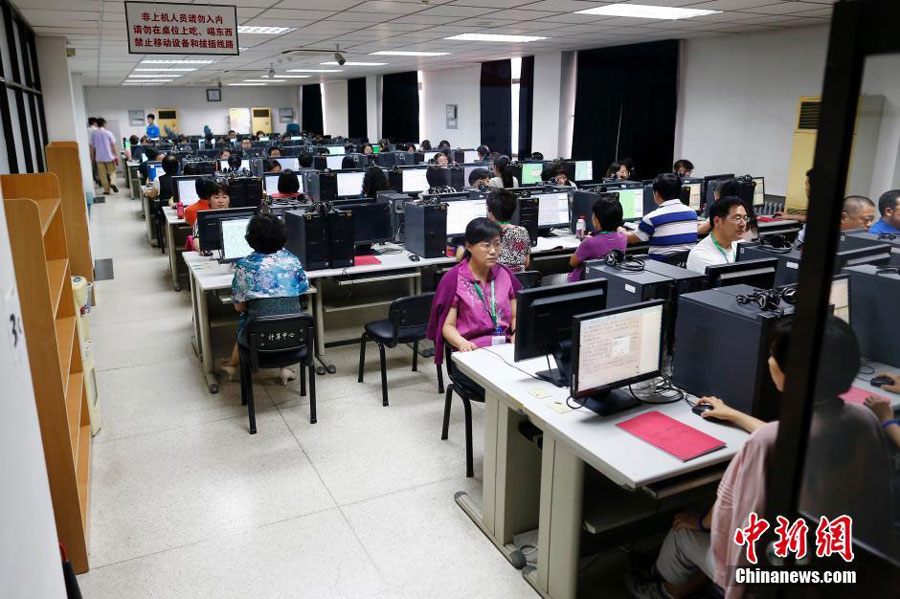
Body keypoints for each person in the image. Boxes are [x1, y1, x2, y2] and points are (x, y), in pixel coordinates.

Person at [626, 317, 894, 599]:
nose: (769, 361)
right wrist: (735, 415)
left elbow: (740, 521)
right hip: (842, 567)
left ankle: (657, 590)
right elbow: (798, 437)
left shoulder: (768, 443)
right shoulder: (864, 418)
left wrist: (703, 524)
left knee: (683, 533)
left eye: (773, 355)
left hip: (774, 580)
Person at [221, 213, 309, 386]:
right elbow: (302, 289)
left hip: (257, 338)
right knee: (282, 313)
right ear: (282, 237)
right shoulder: (293, 261)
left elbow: (239, 308)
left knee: (249, 319)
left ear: (251, 239)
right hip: (294, 335)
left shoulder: (244, 266)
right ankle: (285, 367)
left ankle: (232, 365)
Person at [427, 218, 522, 369]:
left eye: (497, 244)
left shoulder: (505, 274)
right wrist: (461, 343)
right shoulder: (454, 280)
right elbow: (447, 326)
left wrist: (517, 332)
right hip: (472, 351)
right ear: (469, 246)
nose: (493, 251)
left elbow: (517, 315)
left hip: (505, 348)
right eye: (486, 246)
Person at [628, 173, 698, 260]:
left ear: (656, 193)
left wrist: (619, 230)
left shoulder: (652, 218)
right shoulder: (692, 213)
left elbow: (632, 239)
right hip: (685, 269)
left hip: (659, 268)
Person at [568, 196, 627, 282]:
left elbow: (573, 263)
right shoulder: (623, 237)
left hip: (582, 283)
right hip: (609, 281)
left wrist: (588, 241)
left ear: (597, 220)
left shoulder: (589, 242)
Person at [686, 196, 747, 273]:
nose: (743, 224)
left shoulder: (742, 245)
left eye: (745, 218)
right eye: (737, 218)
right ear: (717, 221)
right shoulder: (701, 255)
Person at [486, 188, 531, 272]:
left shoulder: (486, 234)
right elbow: (526, 263)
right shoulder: (522, 231)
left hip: (496, 283)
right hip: (518, 282)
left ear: (490, 213)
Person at [89, 117, 119, 195]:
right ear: (104, 124)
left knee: (102, 175)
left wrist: (92, 157)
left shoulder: (93, 134)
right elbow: (113, 145)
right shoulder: (108, 133)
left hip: (99, 158)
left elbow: (91, 146)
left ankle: (106, 190)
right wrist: (116, 155)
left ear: (97, 124)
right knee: (112, 172)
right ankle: (112, 182)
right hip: (109, 157)